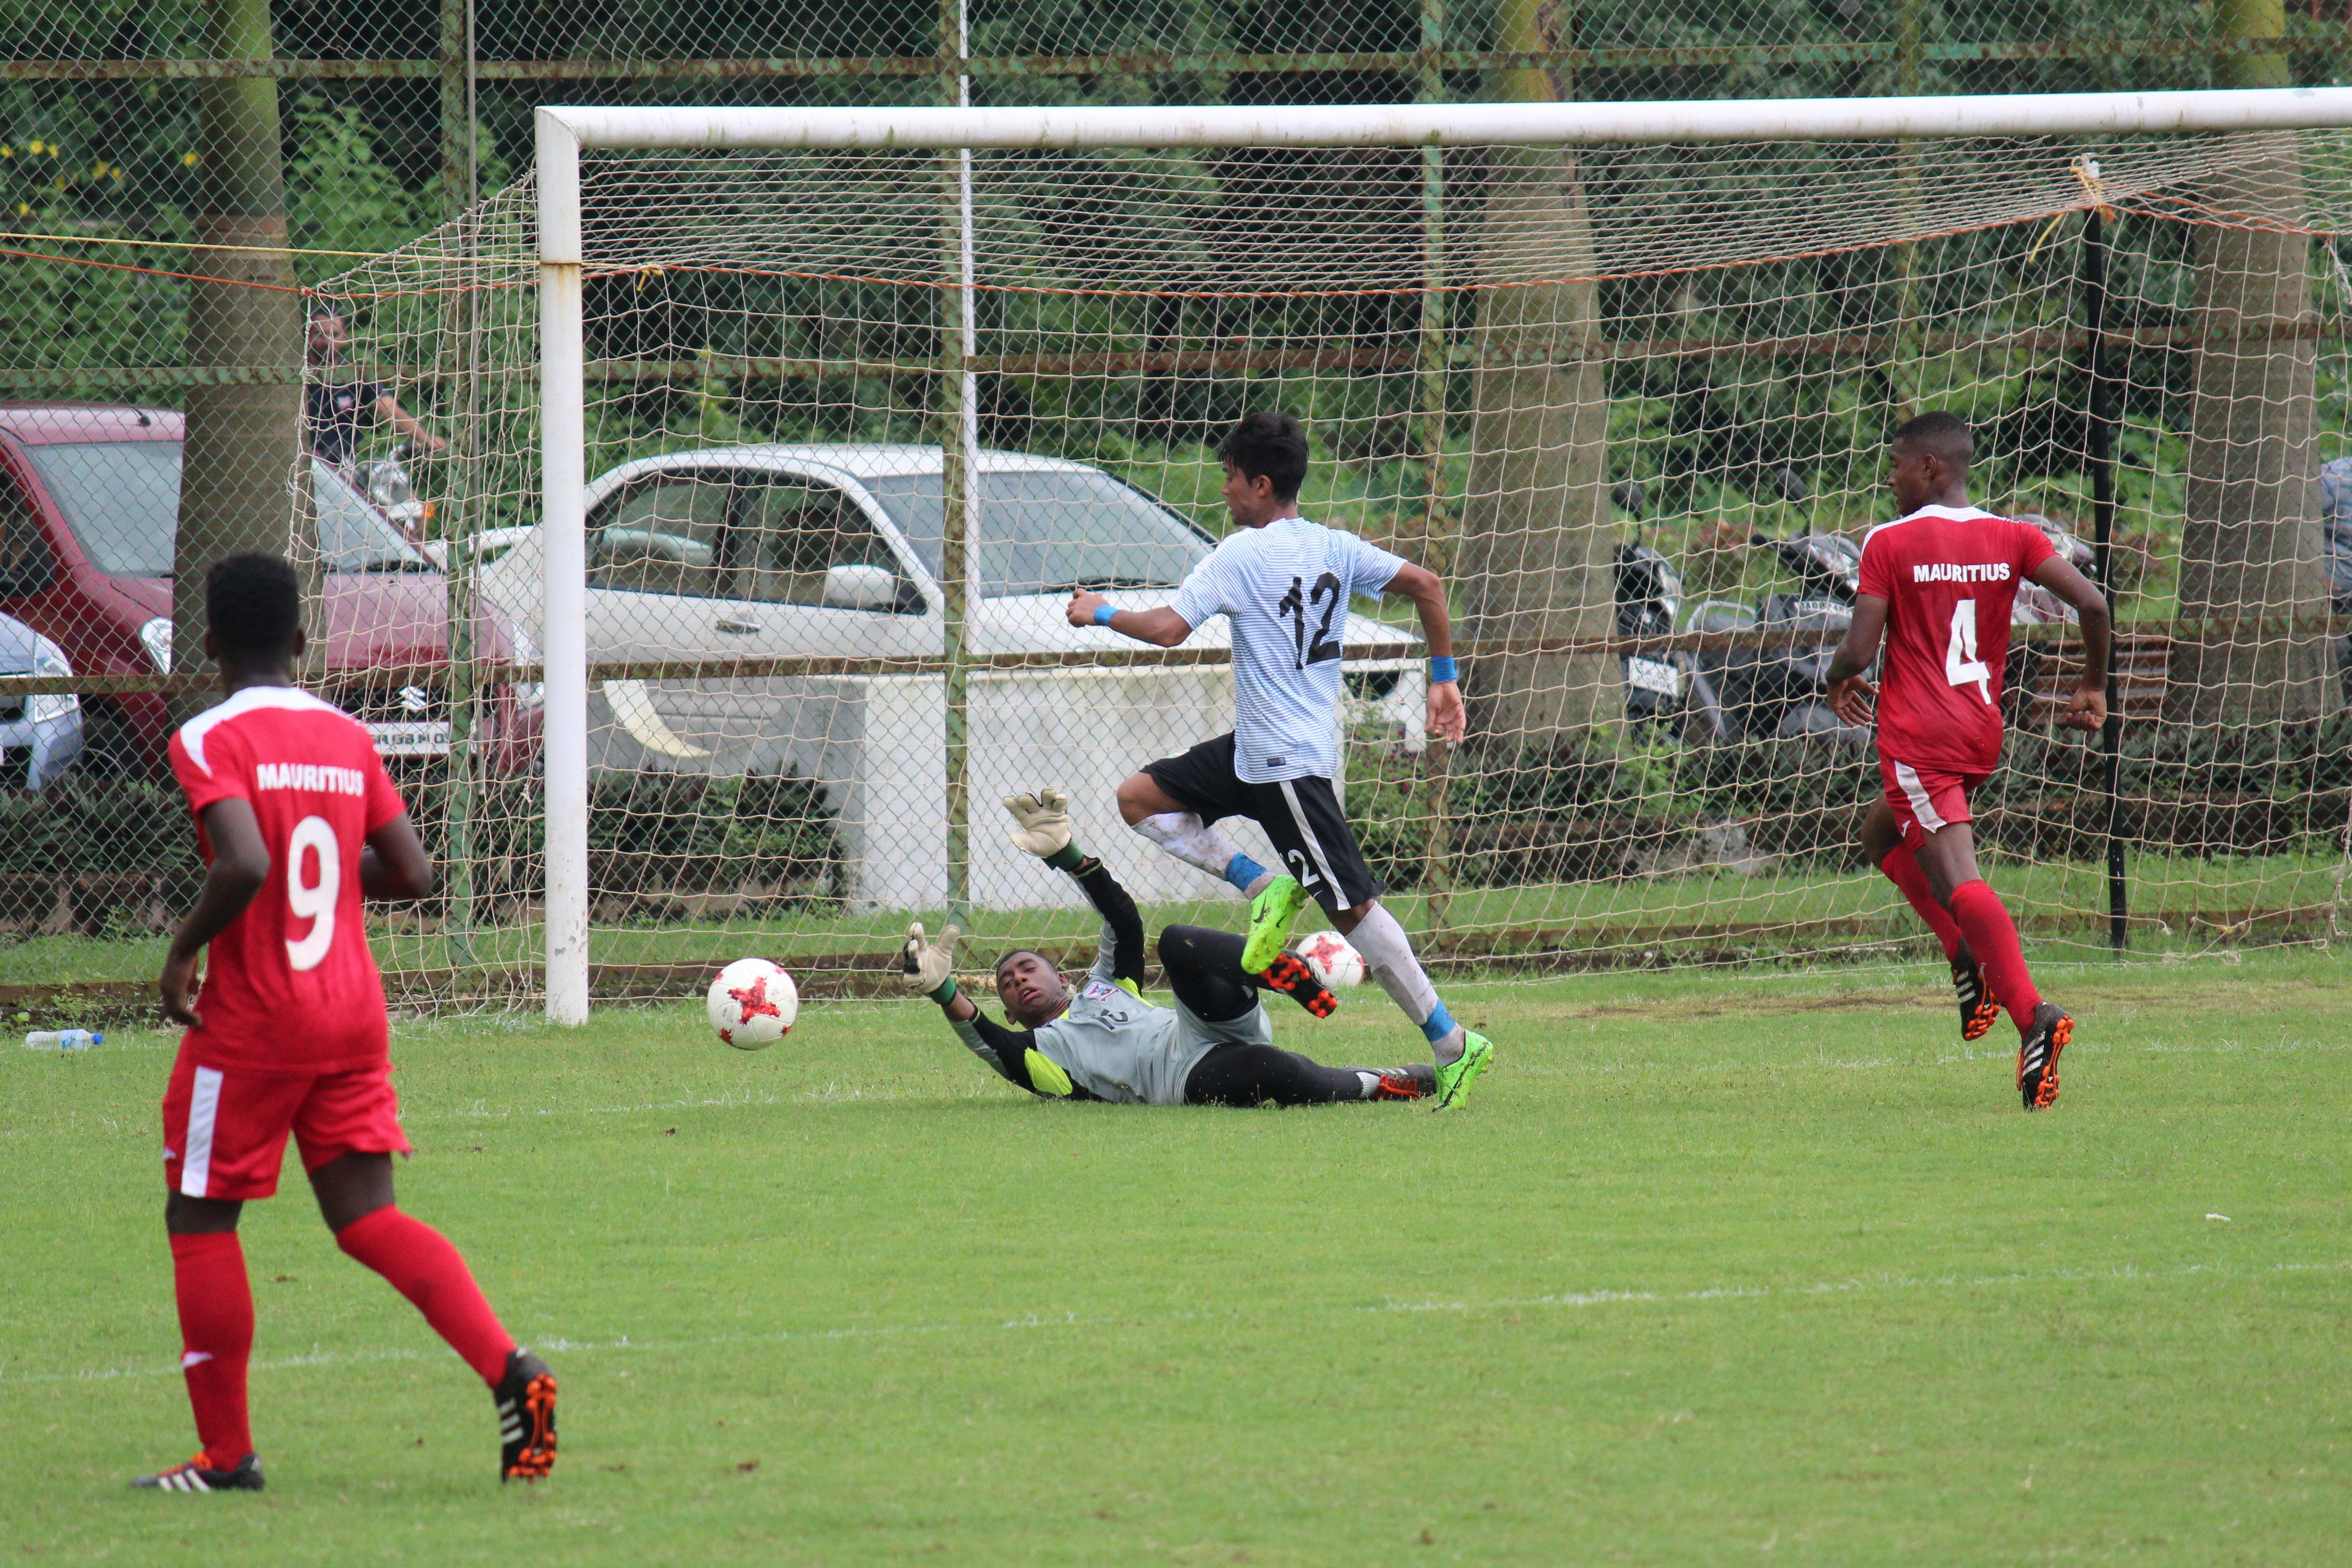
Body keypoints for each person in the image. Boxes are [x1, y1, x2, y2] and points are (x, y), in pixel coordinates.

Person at [136, 553, 555, 1493]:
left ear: (207, 646)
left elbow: (241, 865)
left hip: (253, 1021)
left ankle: (225, 1456)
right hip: (351, 1011)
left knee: (201, 1216)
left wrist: (181, 949)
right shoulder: (345, 734)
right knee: (368, 1218)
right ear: (300, 640)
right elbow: (410, 874)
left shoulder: (207, 736)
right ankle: (513, 1372)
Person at [1065, 411, 1493, 1110]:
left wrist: (1104, 613)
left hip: (1290, 767)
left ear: (1261, 485)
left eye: (1231, 478)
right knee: (1138, 798)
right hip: (1254, 753)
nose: (1225, 491)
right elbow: (1428, 586)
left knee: (1353, 911)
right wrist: (1442, 676)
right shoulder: (1334, 546)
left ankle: (1452, 1044)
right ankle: (1263, 886)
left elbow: (1170, 630)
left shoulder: (1240, 554)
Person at [1824, 411, 2111, 1110]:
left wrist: (1837, 677)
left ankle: (2032, 1015)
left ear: (1930, 469)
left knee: (1960, 878)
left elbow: (1861, 651)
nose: (1889, 477)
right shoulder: (2015, 536)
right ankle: (1963, 955)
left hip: (1919, 736)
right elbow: (2093, 604)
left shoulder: (1890, 540)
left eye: (1895, 464)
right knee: (1880, 833)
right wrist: (2095, 685)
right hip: (1980, 730)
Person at [900, 788, 1436, 1108]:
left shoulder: (1109, 986)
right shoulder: (1041, 1058)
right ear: (1013, 1016)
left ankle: (1273, 968)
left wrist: (1068, 855)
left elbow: (1122, 920)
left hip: (1202, 1027)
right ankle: (1384, 1084)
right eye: (1008, 985)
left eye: (1026, 968)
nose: (1018, 979)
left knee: (1176, 940)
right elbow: (987, 1043)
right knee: (1275, 1069)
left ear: (1063, 979)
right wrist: (942, 990)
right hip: (1185, 1079)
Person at [304, 302, 446, 469]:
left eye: (334, 335)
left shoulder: (356, 374)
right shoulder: (297, 373)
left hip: (343, 465)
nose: (328, 342)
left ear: (346, 337)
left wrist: (426, 439)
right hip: (307, 459)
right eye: (321, 335)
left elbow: (389, 410)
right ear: (309, 336)